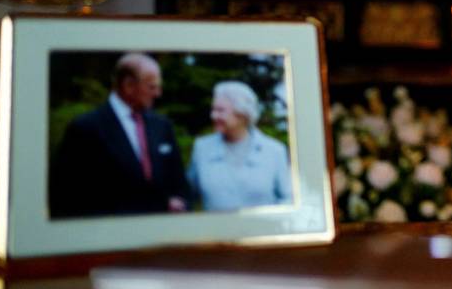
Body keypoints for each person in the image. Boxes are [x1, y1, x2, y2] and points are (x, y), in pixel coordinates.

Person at [49, 53, 189, 218]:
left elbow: (179, 182)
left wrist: (179, 203)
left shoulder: (162, 126)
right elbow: (64, 196)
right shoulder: (85, 128)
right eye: (152, 86)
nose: (158, 93)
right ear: (129, 85)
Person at [188, 80, 293, 211]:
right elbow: (188, 194)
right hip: (214, 231)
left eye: (220, 110)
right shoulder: (202, 148)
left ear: (242, 114)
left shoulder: (275, 151)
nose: (213, 115)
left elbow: (287, 199)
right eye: (213, 109)